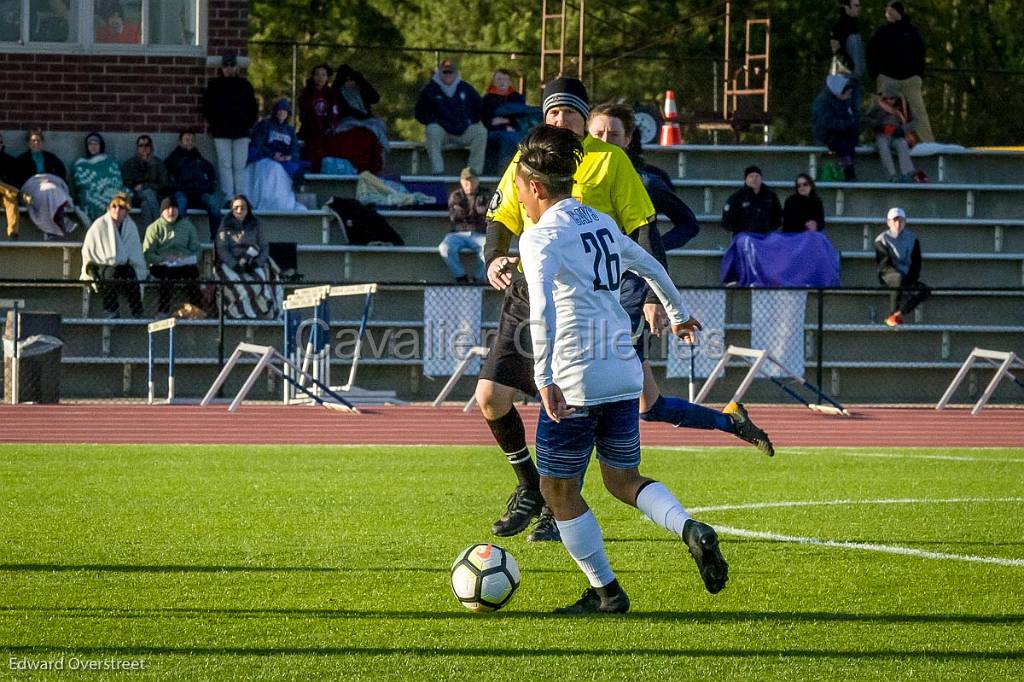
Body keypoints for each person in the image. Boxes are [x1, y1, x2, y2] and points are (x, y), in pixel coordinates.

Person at [480, 77, 774, 543]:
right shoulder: (527, 157)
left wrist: (658, 301)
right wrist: (493, 256)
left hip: (596, 309)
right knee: (494, 400)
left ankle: (567, 523)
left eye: (570, 113)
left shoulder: (610, 163)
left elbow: (643, 232)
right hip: (533, 294)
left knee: (634, 404)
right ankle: (537, 492)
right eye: (553, 113)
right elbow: (500, 216)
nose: (561, 120)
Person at [515, 125, 728, 614]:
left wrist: (544, 377)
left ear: (538, 188)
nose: (520, 199)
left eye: (521, 189)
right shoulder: (600, 223)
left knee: (557, 489)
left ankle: (606, 591)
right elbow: (651, 264)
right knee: (622, 478)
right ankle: (689, 527)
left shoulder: (540, 236)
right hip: (622, 370)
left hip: (577, 377)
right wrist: (676, 315)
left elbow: (542, 309)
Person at [588, 102, 701, 250]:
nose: (605, 140)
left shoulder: (647, 183)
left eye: (614, 134)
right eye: (598, 134)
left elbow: (688, 224)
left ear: (626, 140)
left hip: (630, 270)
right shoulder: (572, 178)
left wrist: (654, 248)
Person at [867, 1, 933, 143]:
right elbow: (871, 52)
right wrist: (875, 73)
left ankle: (928, 143)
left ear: (899, 13)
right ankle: (882, 139)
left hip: (909, 79)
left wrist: (918, 75)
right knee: (883, 111)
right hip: (888, 78)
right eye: (887, 12)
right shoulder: (882, 32)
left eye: (892, 11)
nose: (889, 14)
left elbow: (920, 52)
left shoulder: (911, 32)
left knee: (918, 111)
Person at [414, 58, 487, 176]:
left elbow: (480, 108)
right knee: (432, 130)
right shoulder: (429, 90)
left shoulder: (466, 88)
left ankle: (474, 172)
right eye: (445, 72)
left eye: (451, 72)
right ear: (439, 73)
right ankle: (438, 172)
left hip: (463, 131)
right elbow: (419, 113)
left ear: (456, 73)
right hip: (443, 132)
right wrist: (434, 121)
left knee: (481, 131)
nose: (448, 75)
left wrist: (471, 120)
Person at [202, 52, 259, 198]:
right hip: (221, 131)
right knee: (225, 165)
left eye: (231, 65)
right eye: (225, 65)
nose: (228, 68)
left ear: (236, 67)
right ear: (221, 68)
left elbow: (253, 108)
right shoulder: (214, 85)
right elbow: (207, 107)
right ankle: (228, 196)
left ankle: (240, 195)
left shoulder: (245, 85)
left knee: (240, 165)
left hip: (241, 131)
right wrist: (214, 124)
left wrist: (248, 124)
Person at [80, 193, 146, 318]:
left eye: (121, 208)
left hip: (123, 264)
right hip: (101, 265)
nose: (117, 210)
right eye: (114, 207)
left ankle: (137, 311)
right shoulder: (99, 225)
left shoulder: (130, 227)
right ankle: (110, 310)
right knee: (111, 273)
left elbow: (134, 251)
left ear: (126, 211)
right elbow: (89, 251)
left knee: (131, 273)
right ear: (109, 209)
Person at [215, 194, 280, 320]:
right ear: (232, 209)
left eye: (243, 207)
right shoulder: (224, 225)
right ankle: (241, 314)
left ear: (248, 209)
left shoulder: (256, 224)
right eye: (236, 208)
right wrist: (234, 264)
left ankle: (262, 313)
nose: (239, 211)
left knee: (260, 283)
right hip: (231, 263)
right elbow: (222, 249)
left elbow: (264, 247)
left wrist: (256, 263)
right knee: (240, 288)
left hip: (252, 260)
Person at [13, 129, 79, 240]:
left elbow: (61, 174)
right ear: (28, 143)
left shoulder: (51, 158)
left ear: (42, 142)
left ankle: (53, 227)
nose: (36, 143)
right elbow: (18, 179)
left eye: (38, 140)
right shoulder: (22, 160)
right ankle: (59, 221)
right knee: (48, 190)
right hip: (33, 186)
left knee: (52, 189)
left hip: (52, 183)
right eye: (33, 141)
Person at [143, 197, 203, 316]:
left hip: (182, 263)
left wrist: (188, 258)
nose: (171, 211)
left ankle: (195, 310)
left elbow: (197, 249)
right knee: (167, 275)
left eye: (174, 208)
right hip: (161, 265)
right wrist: (163, 259)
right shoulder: (153, 228)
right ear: (162, 211)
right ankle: (163, 311)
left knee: (193, 272)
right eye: (168, 208)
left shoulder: (188, 226)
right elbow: (148, 253)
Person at [327, 63, 389, 173]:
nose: (349, 82)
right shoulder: (338, 91)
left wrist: (361, 80)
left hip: (367, 120)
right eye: (346, 80)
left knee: (379, 125)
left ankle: (380, 159)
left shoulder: (360, 88)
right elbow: (338, 102)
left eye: (352, 80)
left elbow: (375, 98)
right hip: (348, 121)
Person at [875, 206, 930, 327]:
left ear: (905, 222)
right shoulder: (881, 239)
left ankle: (900, 313)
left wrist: (910, 279)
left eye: (900, 220)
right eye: (894, 220)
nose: (898, 223)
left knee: (924, 290)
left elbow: (917, 263)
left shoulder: (913, 238)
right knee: (896, 278)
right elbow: (884, 265)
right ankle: (892, 314)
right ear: (888, 222)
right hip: (887, 275)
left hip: (907, 276)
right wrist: (900, 277)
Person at [165, 130, 221, 239]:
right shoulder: (172, 160)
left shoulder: (201, 160)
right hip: (181, 192)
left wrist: (209, 188)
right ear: (180, 142)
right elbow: (165, 180)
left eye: (192, 140)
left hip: (200, 193)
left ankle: (216, 238)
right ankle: (183, 237)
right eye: (187, 140)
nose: (189, 142)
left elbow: (212, 178)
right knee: (181, 205)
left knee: (214, 204)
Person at [440, 167, 489, 283]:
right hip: (458, 233)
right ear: (461, 182)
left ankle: (478, 278)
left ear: (477, 181)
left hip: (480, 233)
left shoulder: (485, 194)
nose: (469, 184)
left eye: (472, 181)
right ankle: (461, 277)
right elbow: (454, 217)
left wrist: (471, 212)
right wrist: (476, 212)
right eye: (466, 181)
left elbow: (485, 213)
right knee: (445, 247)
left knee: (489, 248)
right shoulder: (456, 195)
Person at [70, 132, 129, 222]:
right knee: (93, 201)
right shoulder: (81, 164)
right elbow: (80, 183)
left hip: (110, 190)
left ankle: (115, 228)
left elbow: (117, 179)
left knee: (120, 198)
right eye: (90, 144)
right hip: (90, 193)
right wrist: (97, 187)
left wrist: (105, 186)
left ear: (101, 145)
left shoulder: (110, 161)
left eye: (96, 144)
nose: (93, 146)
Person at [864, 86, 918, 182]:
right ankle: (891, 176)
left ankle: (908, 174)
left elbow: (915, 121)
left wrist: (902, 130)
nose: (888, 101)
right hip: (882, 134)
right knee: (883, 145)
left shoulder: (903, 107)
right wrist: (877, 125)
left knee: (902, 144)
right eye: (886, 98)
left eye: (891, 98)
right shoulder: (878, 105)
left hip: (897, 134)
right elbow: (866, 118)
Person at [812, 74, 860, 181]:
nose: (849, 95)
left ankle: (847, 169)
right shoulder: (823, 103)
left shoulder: (842, 100)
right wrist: (846, 124)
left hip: (840, 132)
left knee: (848, 143)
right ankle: (848, 172)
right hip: (826, 134)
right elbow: (826, 123)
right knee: (844, 145)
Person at [121, 134, 172, 231]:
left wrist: (145, 186)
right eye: (141, 146)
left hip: (154, 196)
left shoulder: (158, 163)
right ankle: (161, 226)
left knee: (146, 205)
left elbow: (164, 183)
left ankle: (149, 235)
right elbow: (127, 181)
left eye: (147, 145)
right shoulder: (130, 163)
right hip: (135, 196)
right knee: (148, 194)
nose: (144, 148)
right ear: (137, 148)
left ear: (151, 147)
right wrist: (136, 187)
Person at [481, 69, 527, 175]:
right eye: (499, 79)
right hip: (493, 132)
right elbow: (486, 120)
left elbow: (521, 116)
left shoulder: (517, 98)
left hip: (514, 130)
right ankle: (504, 173)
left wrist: (505, 120)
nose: (502, 82)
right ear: (494, 81)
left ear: (510, 82)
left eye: (505, 79)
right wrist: (504, 125)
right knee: (508, 138)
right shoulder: (488, 98)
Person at [297, 64, 339, 173]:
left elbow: (334, 114)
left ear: (327, 77)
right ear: (313, 76)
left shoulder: (331, 94)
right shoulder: (306, 93)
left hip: (327, 131)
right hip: (310, 130)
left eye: (323, 75)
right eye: (317, 75)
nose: (320, 78)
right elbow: (304, 115)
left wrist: (329, 126)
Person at [830, 0, 866, 127]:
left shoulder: (855, 27)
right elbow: (836, 49)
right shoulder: (839, 27)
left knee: (855, 112)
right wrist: (850, 67)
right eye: (856, 5)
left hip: (855, 77)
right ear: (846, 8)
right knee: (843, 111)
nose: (859, 8)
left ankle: (853, 140)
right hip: (844, 78)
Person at [722, 165, 783, 234]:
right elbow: (726, 220)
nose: (754, 179)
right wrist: (740, 231)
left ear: (761, 178)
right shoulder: (737, 197)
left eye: (757, 176)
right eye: (751, 176)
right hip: (745, 237)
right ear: (746, 179)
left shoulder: (770, 196)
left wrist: (771, 229)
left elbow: (778, 215)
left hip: (766, 237)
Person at [1, 132, 19, 238]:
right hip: (7, 189)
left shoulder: (9, 161)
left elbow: (15, 178)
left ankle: (13, 231)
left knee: (11, 199)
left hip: (5, 194)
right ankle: (20, 194)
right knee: (10, 191)